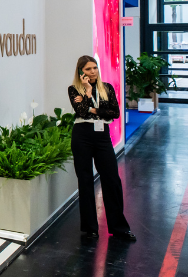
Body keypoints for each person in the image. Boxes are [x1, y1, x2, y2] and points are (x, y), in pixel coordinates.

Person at [68, 56, 136, 242]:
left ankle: (119, 227)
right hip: (82, 135)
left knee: (112, 179)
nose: (93, 72)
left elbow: (114, 113)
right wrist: (88, 93)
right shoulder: (74, 89)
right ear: (81, 72)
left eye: (95, 68)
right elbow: (81, 111)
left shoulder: (107, 88)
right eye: (88, 69)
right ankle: (90, 228)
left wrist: (93, 109)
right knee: (85, 180)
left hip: (102, 136)